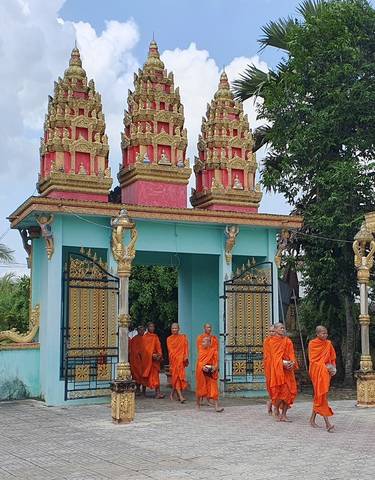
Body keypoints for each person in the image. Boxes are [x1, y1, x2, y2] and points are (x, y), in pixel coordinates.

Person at [308, 325, 336, 432]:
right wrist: (324, 367)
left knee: (319, 396)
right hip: (317, 372)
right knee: (321, 396)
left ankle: (312, 419)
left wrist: (333, 368)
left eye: (326, 333)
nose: (325, 335)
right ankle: (328, 424)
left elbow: (332, 358)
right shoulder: (312, 343)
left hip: (326, 373)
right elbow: (313, 360)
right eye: (322, 333)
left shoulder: (328, 344)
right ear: (317, 334)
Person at [268, 322, 298, 421]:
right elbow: (274, 357)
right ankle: (276, 407)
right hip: (278, 370)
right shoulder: (272, 342)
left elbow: (291, 353)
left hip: (288, 371)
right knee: (280, 394)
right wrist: (283, 363)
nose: (283, 329)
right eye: (280, 328)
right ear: (276, 330)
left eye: (283, 328)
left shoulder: (288, 341)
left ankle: (284, 414)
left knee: (288, 393)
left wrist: (292, 362)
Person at [196, 326, 223, 413]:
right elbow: (199, 362)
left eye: (204, 342)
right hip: (202, 372)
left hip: (211, 372)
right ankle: (197, 404)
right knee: (201, 388)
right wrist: (203, 367)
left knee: (214, 388)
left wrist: (214, 367)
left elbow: (216, 361)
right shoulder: (201, 350)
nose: (202, 343)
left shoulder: (213, 351)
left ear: (209, 343)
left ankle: (216, 407)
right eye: (202, 341)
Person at [167, 323, 189, 403]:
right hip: (174, 361)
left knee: (179, 378)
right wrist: (177, 358)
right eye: (173, 328)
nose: (174, 330)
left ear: (179, 329)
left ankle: (173, 393)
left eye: (176, 328)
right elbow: (171, 351)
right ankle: (180, 396)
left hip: (181, 361)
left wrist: (185, 357)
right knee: (176, 377)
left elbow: (186, 348)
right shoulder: (169, 339)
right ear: (171, 329)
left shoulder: (183, 337)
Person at [142, 322, 165, 398]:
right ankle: (143, 391)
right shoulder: (144, 337)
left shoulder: (155, 337)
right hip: (147, 360)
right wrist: (151, 355)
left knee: (156, 377)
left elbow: (159, 347)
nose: (152, 328)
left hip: (155, 361)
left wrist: (159, 355)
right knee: (146, 376)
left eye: (153, 327)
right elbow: (144, 350)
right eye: (150, 327)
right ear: (147, 328)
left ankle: (157, 393)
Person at [263, 324, 276, 415]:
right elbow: (267, 355)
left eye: (273, 331)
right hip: (269, 366)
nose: (271, 333)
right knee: (271, 386)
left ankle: (272, 403)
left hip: (277, 366)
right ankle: (271, 402)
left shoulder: (279, 341)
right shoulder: (267, 341)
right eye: (270, 331)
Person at [129, 325, 146, 396]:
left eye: (142, 330)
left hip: (145, 360)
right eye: (140, 330)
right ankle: (138, 388)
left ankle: (144, 390)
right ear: (137, 331)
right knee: (136, 375)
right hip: (136, 360)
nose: (141, 331)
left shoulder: (146, 339)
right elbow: (131, 350)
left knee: (144, 375)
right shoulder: (134, 339)